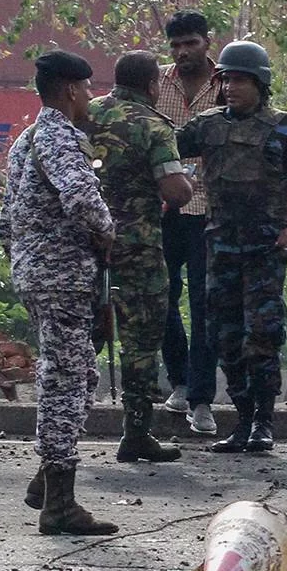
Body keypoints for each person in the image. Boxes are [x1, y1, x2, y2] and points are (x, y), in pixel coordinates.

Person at [0, 50, 120, 536]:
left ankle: (46, 484)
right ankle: (60, 502)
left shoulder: (28, 138)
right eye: (88, 88)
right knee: (65, 379)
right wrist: (109, 233)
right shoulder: (59, 135)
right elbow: (82, 200)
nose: (91, 98)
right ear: (71, 90)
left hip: (37, 272)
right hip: (62, 275)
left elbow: (6, 219)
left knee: (77, 372)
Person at [174, 40, 287, 453]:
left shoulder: (286, 128)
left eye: (240, 80)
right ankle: (243, 418)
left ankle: (264, 422)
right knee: (224, 334)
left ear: (260, 84)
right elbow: (163, 151)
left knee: (263, 335)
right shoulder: (206, 126)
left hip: (265, 249)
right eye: (226, 79)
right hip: (221, 247)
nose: (231, 87)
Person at [88, 52, 196, 464]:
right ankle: (136, 432)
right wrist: (187, 181)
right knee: (141, 339)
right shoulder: (154, 125)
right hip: (138, 247)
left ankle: (63, 422)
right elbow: (175, 191)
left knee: (82, 336)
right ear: (152, 86)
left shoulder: (87, 113)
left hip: (86, 244)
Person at [156, 12, 224, 435]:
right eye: (177, 45)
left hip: (209, 211)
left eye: (191, 44)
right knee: (161, 296)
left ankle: (201, 399)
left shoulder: (229, 82)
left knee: (205, 305)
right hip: (162, 208)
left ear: (207, 42)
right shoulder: (156, 82)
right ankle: (179, 380)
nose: (183, 52)